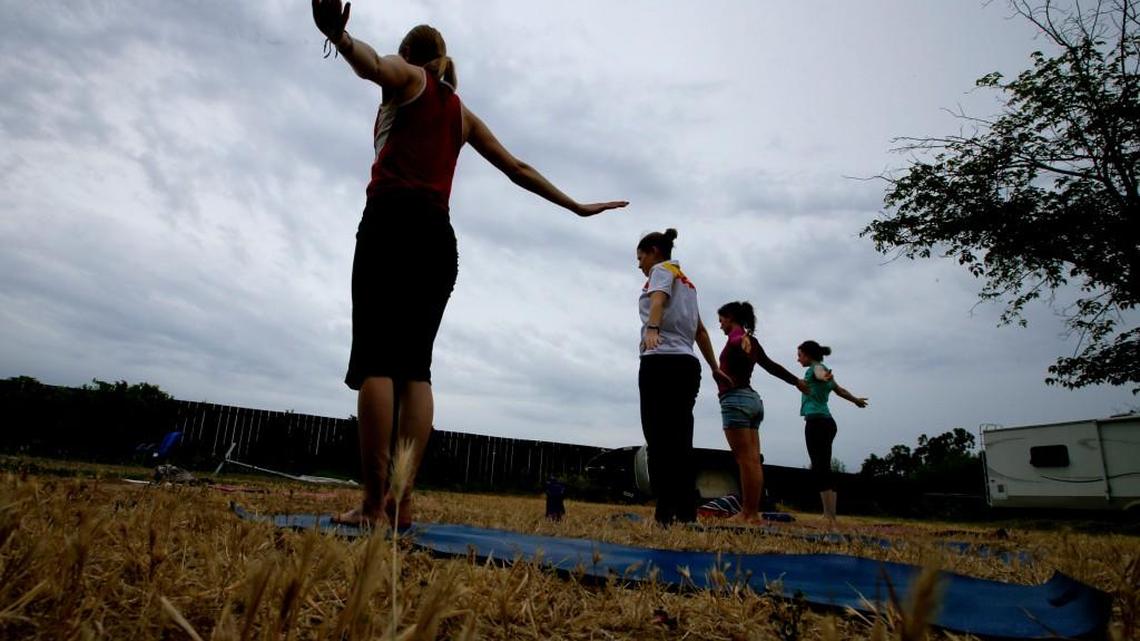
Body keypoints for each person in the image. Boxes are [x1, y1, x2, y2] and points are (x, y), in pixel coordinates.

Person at [311, 1, 628, 528]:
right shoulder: (461, 114)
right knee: (416, 370)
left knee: (376, 364)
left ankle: (372, 507)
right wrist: (574, 205)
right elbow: (518, 168)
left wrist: (339, 39)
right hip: (438, 239)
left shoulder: (406, 75)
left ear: (411, 54)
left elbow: (372, 65)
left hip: (391, 226)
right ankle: (401, 505)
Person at [636, 228, 728, 525]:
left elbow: (658, 299)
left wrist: (652, 329)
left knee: (657, 438)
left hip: (661, 362)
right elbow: (700, 330)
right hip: (688, 365)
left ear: (654, 251)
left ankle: (665, 512)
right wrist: (714, 367)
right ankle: (686, 511)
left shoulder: (662, 271)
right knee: (680, 439)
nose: (639, 265)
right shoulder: (687, 283)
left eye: (640, 258)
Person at [715, 301, 808, 522]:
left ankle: (747, 513)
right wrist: (796, 381)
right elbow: (771, 366)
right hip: (752, 402)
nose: (720, 325)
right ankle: (752, 513)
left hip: (736, 401)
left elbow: (737, 338)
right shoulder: (751, 342)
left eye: (721, 320)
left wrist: (741, 338)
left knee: (745, 460)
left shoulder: (739, 338)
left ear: (730, 317)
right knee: (753, 460)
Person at [796, 340, 868, 524]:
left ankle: (829, 515)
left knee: (820, 467)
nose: (798, 359)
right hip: (827, 423)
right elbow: (840, 390)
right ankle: (829, 514)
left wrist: (823, 377)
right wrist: (855, 400)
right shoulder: (822, 369)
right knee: (823, 467)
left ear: (808, 355)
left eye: (800, 355)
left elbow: (820, 375)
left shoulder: (815, 369)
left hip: (817, 423)